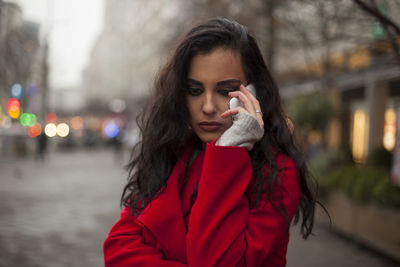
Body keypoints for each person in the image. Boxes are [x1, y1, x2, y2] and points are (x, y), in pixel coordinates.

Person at [103, 18, 317, 267]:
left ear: (254, 93)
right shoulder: (171, 152)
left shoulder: (277, 171)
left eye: (225, 91)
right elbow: (118, 249)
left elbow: (214, 261)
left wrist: (228, 153)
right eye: (194, 91)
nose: (207, 107)